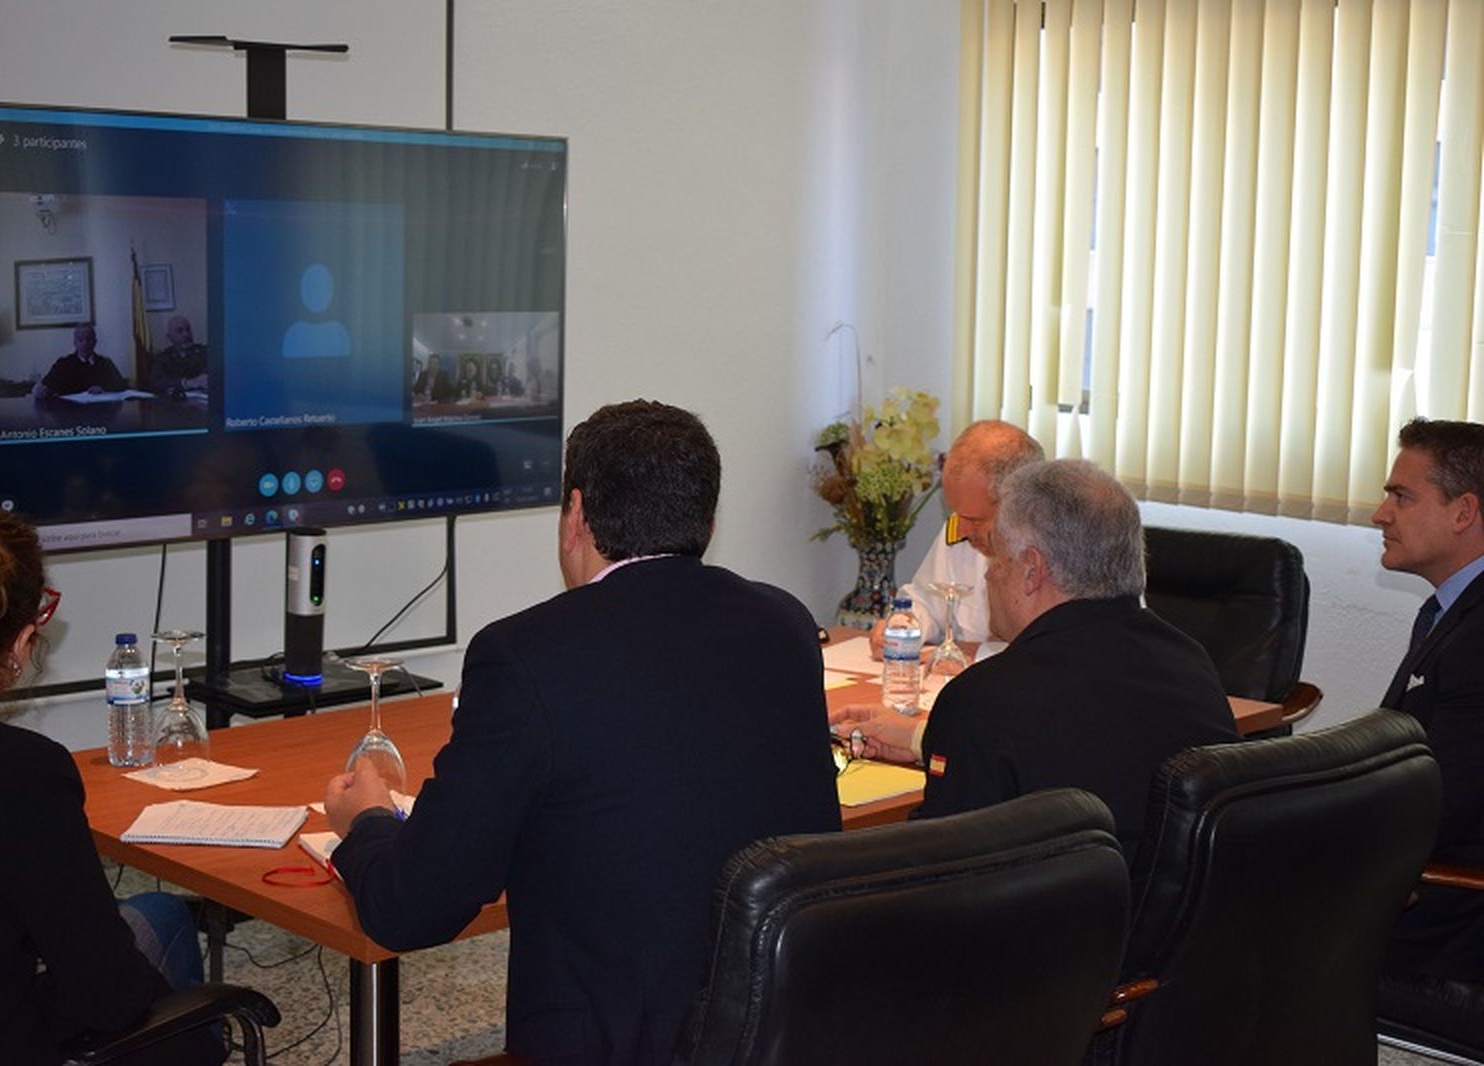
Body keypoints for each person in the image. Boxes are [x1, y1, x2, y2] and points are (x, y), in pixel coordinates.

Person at [325, 400, 841, 1064]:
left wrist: (366, 822)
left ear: (575, 515)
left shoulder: (525, 656)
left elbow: (415, 907)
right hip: (780, 1032)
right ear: (708, 522)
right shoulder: (784, 622)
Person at [0, 506, 216, 1066]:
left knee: (159, 913)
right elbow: (109, 998)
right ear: (19, 644)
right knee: (166, 972)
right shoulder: (21, 771)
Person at [834, 459, 1237, 863]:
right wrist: (924, 740)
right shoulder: (1190, 663)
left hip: (1063, 903)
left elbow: (945, 867)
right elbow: (1090, 751)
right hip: (1166, 899)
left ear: (1031, 569)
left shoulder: (986, 697)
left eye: (996, 559)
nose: (988, 577)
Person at [1374, 418, 1484, 984]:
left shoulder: (1477, 638)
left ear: (1463, 513)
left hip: (1451, 920)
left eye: (1402, 496)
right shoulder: (1454, 611)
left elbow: (1444, 807)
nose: (1380, 514)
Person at [868, 419, 1044, 663]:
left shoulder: (1061, 558)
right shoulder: (962, 530)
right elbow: (926, 600)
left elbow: (1050, 649)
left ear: (1020, 507)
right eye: (956, 513)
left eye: (975, 519)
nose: (961, 529)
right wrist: (904, 626)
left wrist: (974, 658)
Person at [31, 324, 127, 399]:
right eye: (81, 340)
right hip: (69, 414)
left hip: (100, 414)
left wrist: (104, 390)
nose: (85, 343)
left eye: (89, 339)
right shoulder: (63, 364)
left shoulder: (106, 363)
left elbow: (122, 387)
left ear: (95, 342)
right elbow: (46, 385)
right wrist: (39, 390)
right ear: (75, 343)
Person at [147, 314, 208, 395]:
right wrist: (186, 383)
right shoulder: (163, 358)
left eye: (188, 329)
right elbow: (155, 382)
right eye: (179, 331)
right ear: (169, 337)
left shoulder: (205, 352)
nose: (186, 334)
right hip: (176, 401)